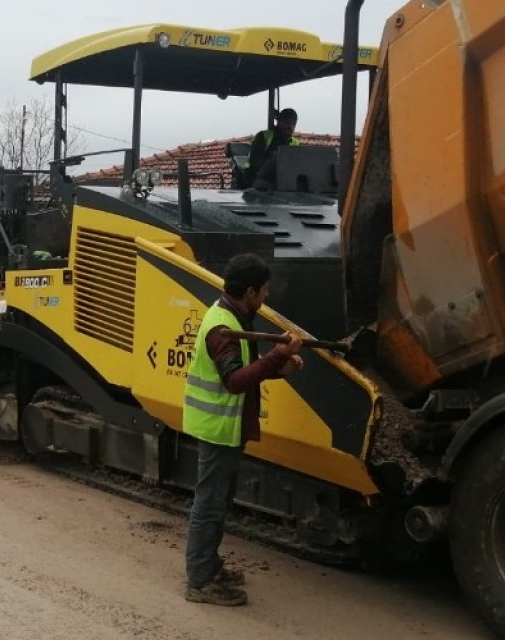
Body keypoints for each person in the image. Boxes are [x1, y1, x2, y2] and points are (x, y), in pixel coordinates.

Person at [183, 253, 304, 606]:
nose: (267, 296)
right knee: (208, 506)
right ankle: (200, 581)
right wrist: (277, 356)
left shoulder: (233, 316)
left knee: (217, 504)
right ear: (250, 291)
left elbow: (246, 369)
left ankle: (209, 566)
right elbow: (235, 380)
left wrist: (279, 367)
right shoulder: (222, 328)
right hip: (217, 427)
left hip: (226, 426)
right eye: (264, 290)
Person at [247, 108, 300, 186]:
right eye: (287, 123)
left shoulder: (295, 142)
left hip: (286, 180)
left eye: (293, 124)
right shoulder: (264, 136)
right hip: (261, 179)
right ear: (279, 122)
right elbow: (255, 161)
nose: (290, 127)